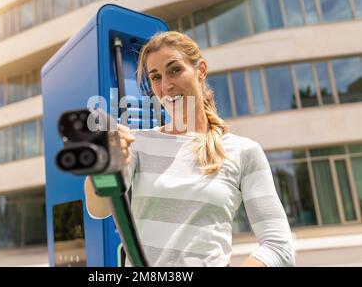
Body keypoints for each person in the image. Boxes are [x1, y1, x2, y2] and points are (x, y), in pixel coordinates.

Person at [84, 31, 295, 267]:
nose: (166, 85)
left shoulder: (243, 151)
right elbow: (99, 208)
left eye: (175, 70)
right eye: (155, 77)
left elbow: (279, 245)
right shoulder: (137, 143)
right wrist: (102, 164)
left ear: (201, 70)